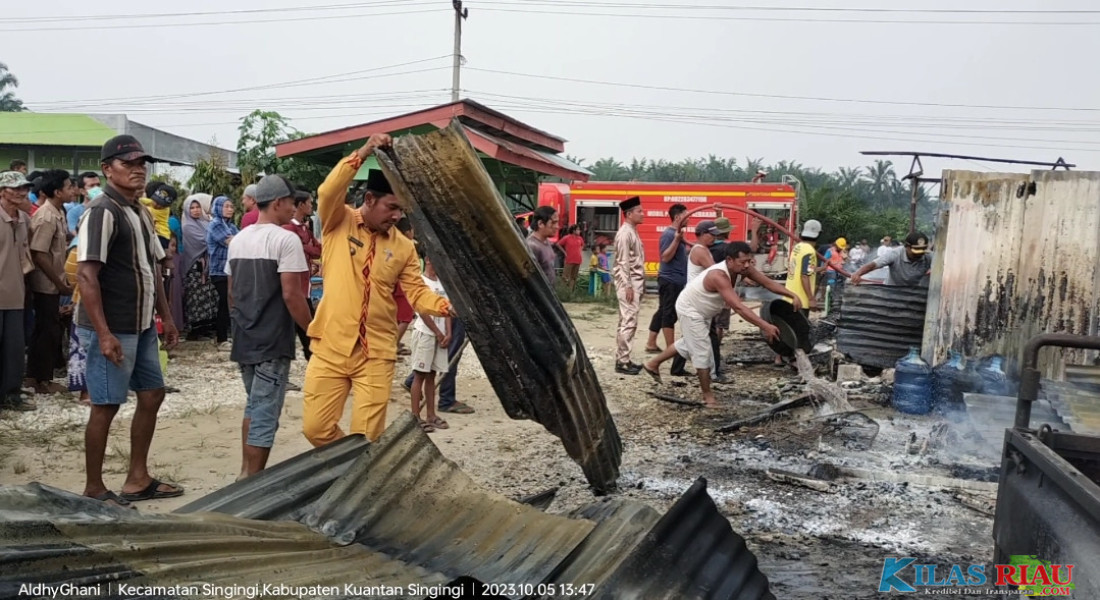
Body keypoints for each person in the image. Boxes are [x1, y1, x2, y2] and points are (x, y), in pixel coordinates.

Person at [302, 134, 450, 446]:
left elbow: (417, 293)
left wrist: (447, 307)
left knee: (367, 437)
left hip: (377, 352)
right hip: (331, 345)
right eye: (392, 207)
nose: (397, 216)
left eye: (402, 209)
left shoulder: (405, 247)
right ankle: (350, 472)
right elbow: (328, 190)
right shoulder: (337, 222)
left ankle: (357, 482)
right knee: (316, 429)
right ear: (369, 199)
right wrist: (365, 150)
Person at [76, 134, 181, 507]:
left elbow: (152, 268)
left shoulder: (141, 211)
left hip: (140, 324)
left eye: (142, 164)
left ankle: (138, 478)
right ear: (107, 169)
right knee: (106, 404)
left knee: (152, 394)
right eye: (128, 163)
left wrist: (166, 318)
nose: (138, 170)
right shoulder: (102, 211)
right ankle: (94, 489)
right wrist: (103, 334)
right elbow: (87, 275)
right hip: (113, 325)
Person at [225, 175, 313, 479]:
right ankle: (253, 480)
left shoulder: (238, 239)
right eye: (291, 202)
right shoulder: (285, 239)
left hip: (244, 336)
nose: (294, 207)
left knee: (254, 405)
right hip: (272, 338)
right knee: (265, 411)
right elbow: (292, 294)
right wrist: (312, 331)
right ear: (278, 202)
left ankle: (244, 472)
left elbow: (232, 292)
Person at [643, 242, 792, 408]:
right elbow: (738, 307)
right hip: (691, 309)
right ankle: (708, 397)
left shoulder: (744, 269)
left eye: (749, 261)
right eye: (742, 262)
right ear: (729, 260)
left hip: (703, 311)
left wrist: (792, 295)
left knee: (688, 343)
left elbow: (768, 283)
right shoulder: (718, 276)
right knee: (703, 352)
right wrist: (765, 325)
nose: (747, 265)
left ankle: (653, 363)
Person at [27, 169, 75, 395]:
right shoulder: (46, 215)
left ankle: (36, 377)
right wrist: (59, 283)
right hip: (45, 283)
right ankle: (42, 379)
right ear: (57, 192)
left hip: (53, 281)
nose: (73, 190)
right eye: (68, 187)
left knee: (47, 329)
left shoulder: (58, 212)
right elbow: (39, 253)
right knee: (48, 329)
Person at [0, 171, 35, 411]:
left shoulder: (24, 219)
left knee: (14, 347)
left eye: (24, 187)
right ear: (2, 191)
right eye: (15, 188)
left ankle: (10, 394)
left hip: (15, 293)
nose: (21, 192)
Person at [408, 255, 451, 433]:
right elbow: (423, 310)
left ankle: (431, 414)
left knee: (432, 375)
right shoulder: (421, 282)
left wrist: (448, 333)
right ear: (428, 259)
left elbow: (447, 308)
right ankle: (415, 416)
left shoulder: (441, 283)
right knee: (419, 374)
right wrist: (438, 332)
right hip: (425, 332)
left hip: (439, 334)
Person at [644, 204, 689, 362]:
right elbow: (665, 257)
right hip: (670, 280)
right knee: (669, 314)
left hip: (674, 280)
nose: (689, 218)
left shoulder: (677, 235)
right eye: (686, 215)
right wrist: (677, 241)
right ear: (678, 217)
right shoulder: (669, 235)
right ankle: (672, 349)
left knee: (663, 310)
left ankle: (651, 343)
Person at [282, 190, 321, 361]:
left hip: (305, 282)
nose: (312, 205)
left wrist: (305, 246)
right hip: (294, 283)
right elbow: (312, 249)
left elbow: (318, 250)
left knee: (306, 330)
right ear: (300, 205)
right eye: (309, 202)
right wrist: (306, 246)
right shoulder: (289, 228)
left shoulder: (303, 227)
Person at [613, 196, 645, 375]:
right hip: (629, 282)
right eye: (639, 211)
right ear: (629, 214)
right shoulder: (625, 233)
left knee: (626, 320)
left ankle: (623, 358)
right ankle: (623, 362)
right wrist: (628, 286)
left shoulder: (632, 231)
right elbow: (623, 262)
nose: (643, 213)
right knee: (628, 321)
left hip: (633, 281)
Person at [181, 194, 217, 337]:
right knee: (196, 299)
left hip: (206, 267)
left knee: (206, 297)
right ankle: (195, 330)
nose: (195, 210)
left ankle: (205, 328)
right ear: (187, 210)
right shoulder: (187, 226)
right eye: (192, 208)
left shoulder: (204, 222)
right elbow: (205, 241)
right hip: (194, 268)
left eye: (197, 207)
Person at [206, 195, 237, 348]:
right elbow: (232, 242)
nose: (230, 209)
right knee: (224, 302)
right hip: (219, 270)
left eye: (231, 206)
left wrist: (236, 239)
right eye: (226, 206)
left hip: (231, 270)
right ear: (218, 208)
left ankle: (227, 335)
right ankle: (221, 338)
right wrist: (236, 239)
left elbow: (239, 239)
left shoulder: (230, 226)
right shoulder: (215, 224)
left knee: (230, 301)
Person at [850, 231, 932, 287]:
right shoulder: (895, 254)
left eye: (922, 251)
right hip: (892, 291)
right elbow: (873, 265)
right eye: (916, 252)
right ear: (906, 247)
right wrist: (857, 274)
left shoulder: (928, 257)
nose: (919, 254)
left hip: (915, 293)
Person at [393, 217, 416, 356]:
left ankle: (394, 343)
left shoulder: (393, 242)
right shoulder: (407, 245)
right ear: (407, 232)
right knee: (406, 317)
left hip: (394, 283)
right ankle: (392, 346)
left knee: (395, 317)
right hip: (403, 284)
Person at [526, 206, 559, 285]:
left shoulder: (546, 241)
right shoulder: (532, 246)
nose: (557, 227)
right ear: (540, 224)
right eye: (553, 223)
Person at [140, 182, 175, 250]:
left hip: (161, 236)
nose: (156, 205)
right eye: (156, 201)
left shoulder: (164, 211)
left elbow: (143, 205)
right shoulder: (152, 203)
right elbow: (142, 200)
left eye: (160, 204)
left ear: (166, 206)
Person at [557, 224, 584, 291]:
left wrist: (580, 251)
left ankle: (570, 291)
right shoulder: (567, 237)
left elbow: (582, 245)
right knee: (565, 277)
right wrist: (564, 252)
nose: (579, 231)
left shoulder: (580, 238)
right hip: (569, 259)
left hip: (577, 260)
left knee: (574, 277)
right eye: (578, 229)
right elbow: (558, 244)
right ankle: (563, 291)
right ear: (574, 230)